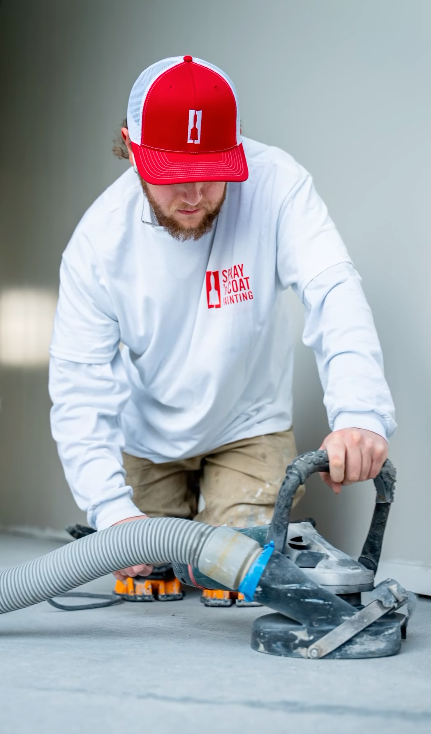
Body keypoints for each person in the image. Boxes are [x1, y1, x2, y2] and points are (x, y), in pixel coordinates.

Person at [49, 56, 395, 583]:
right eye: (173, 177)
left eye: (210, 174)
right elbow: (79, 389)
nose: (192, 196)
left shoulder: (278, 183)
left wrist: (360, 414)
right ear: (131, 146)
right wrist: (111, 510)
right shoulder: (97, 244)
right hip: (148, 437)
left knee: (229, 572)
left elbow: (334, 290)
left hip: (248, 423)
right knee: (146, 565)